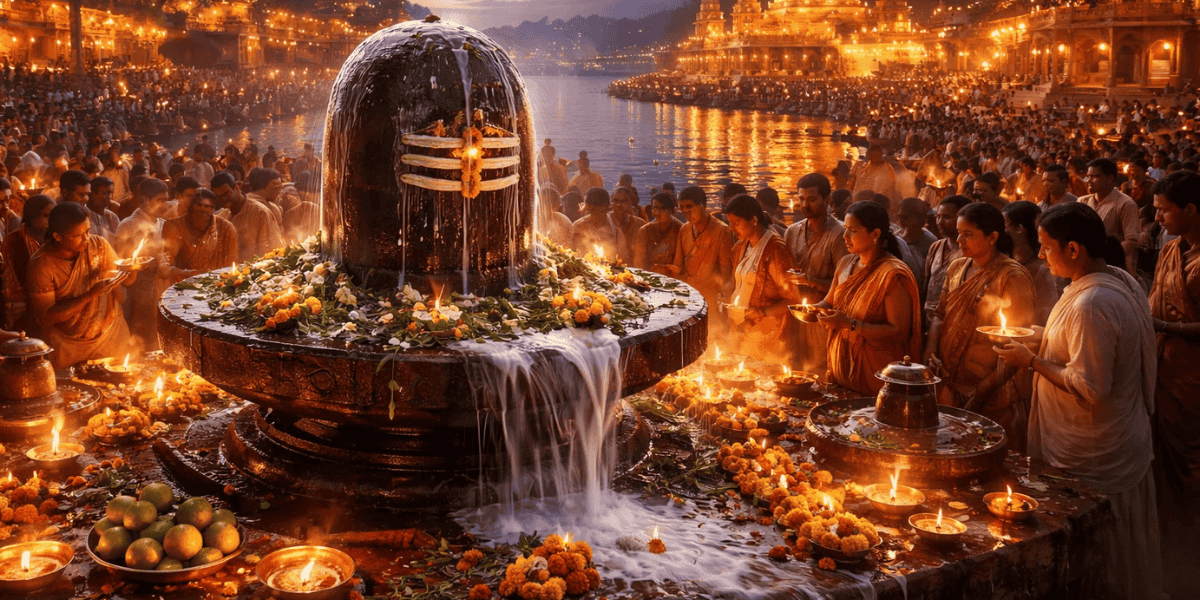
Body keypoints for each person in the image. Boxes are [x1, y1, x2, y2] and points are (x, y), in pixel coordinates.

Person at [995, 202, 1161, 600]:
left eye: (1046, 247)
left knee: (1099, 545)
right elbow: (1075, 345)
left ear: (1073, 249)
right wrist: (1036, 334)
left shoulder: (1093, 303)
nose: (1040, 255)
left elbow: (1090, 385)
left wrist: (1030, 360)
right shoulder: (1117, 277)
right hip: (1114, 437)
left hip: (1093, 447)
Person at [924, 202, 1036, 450]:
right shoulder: (957, 267)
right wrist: (930, 350)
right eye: (958, 233)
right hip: (950, 381)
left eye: (968, 234)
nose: (959, 240)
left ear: (992, 237)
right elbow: (940, 314)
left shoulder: (1012, 277)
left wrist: (982, 391)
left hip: (994, 389)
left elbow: (1018, 341)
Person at [1146, 170, 1200, 589]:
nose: (1157, 216)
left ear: (1191, 210)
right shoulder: (1170, 248)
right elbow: (1154, 298)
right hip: (1163, 371)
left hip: (1193, 378)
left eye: (1164, 209)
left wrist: (1165, 326)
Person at [812, 201, 920, 395]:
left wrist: (850, 325)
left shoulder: (892, 274)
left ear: (875, 234)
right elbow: (828, 301)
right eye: (845, 229)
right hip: (842, 363)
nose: (845, 236)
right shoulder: (846, 263)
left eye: (853, 231)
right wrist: (811, 309)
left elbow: (900, 331)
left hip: (875, 371)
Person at [27, 202, 134, 368]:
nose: (86, 239)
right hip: (69, 345)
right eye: (77, 235)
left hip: (109, 337)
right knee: (77, 391)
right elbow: (46, 317)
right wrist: (90, 294)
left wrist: (132, 269)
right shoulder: (42, 264)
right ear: (57, 236)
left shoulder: (99, 246)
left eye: (88, 231)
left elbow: (123, 287)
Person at [722, 194, 798, 362]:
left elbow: (794, 299)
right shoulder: (742, 245)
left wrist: (763, 312)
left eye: (736, 223)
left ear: (754, 220)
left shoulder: (775, 250)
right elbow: (740, 282)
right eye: (729, 223)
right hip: (742, 331)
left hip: (768, 337)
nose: (731, 229)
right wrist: (727, 289)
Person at [784, 173, 846, 371]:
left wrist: (810, 280)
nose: (804, 205)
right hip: (794, 317)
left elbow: (845, 287)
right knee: (793, 370)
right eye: (801, 199)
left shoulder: (840, 235)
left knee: (820, 373)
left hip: (822, 320)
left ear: (826, 200)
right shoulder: (792, 231)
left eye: (811, 199)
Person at [113, 178, 169, 350]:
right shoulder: (127, 226)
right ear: (144, 200)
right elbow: (120, 264)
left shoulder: (163, 224)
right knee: (140, 342)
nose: (165, 205)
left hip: (161, 290)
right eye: (160, 200)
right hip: (136, 295)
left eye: (166, 200)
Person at [669, 186, 734, 330]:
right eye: (682, 208)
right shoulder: (684, 230)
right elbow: (678, 266)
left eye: (689, 206)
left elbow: (726, 271)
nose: (686, 211)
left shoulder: (721, 231)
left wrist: (724, 297)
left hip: (712, 296)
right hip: (689, 296)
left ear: (703, 205)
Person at [161, 189, 238, 284]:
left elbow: (232, 266)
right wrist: (192, 274)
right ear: (189, 210)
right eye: (198, 206)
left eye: (207, 207)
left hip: (218, 286)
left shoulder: (226, 228)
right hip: (183, 288)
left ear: (212, 211)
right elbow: (164, 269)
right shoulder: (174, 227)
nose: (202, 211)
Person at [2, 195, 54, 333]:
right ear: (32, 216)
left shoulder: (54, 238)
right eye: (46, 216)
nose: (51, 221)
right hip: (24, 311)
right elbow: (10, 285)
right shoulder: (13, 241)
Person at [1002, 201, 1059, 325]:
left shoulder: (1043, 269)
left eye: (1005, 225)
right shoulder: (1007, 259)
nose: (1001, 231)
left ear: (1019, 229)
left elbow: (1045, 317)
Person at [1080, 158, 1139, 273]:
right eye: (1088, 176)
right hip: (1085, 267)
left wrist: (1104, 257)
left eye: (1095, 176)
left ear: (1110, 178)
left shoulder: (1125, 204)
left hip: (1114, 269)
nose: (1089, 181)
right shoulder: (1083, 202)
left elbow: (1132, 240)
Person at [211, 171, 284, 261]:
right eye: (218, 197)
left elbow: (274, 252)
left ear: (238, 186)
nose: (223, 199)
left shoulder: (260, 213)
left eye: (226, 193)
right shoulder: (222, 217)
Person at [923, 196, 970, 324]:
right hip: (930, 318)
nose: (939, 222)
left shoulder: (969, 252)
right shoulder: (936, 246)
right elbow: (927, 283)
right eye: (937, 217)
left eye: (947, 217)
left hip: (954, 320)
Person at [632, 192, 682, 274]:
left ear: (672, 210)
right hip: (648, 277)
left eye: (662, 208)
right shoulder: (644, 231)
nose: (657, 212)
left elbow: (680, 265)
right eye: (655, 208)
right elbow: (639, 263)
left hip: (672, 279)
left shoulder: (680, 230)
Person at [570, 187, 625, 261]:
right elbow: (575, 254)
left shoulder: (615, 227)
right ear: (588, 208)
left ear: (607, 207)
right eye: (594, 212)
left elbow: (623, 257)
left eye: (601, 212)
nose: (598, 216)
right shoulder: (579, 226)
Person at [610, 187, 646, 265]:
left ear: (631, 203)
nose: (619, 204)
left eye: (624, 201)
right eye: (615, 200)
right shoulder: (605, 221)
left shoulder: (640, 224)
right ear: (610, 203)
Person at [84, 176, 121, 242]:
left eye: (111, 193)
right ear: (92, 194)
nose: (110, 197)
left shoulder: (112, 217)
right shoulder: (84, 216)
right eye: (105, 193)